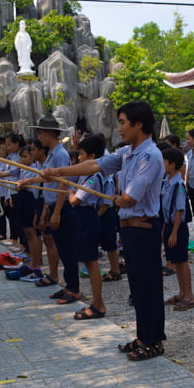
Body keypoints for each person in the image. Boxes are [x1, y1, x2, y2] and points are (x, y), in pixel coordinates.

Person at [43, 101, 166, 361]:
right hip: (130, 229)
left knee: (149, 286)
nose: (119, 128)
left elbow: (131, 198)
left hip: (144, 228)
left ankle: (155, 341)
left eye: (123, 122)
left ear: (138, 124)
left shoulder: (150, 155)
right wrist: (58, 172)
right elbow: (94, 165)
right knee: (137, 287)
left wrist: (119, 199)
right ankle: (143, 336)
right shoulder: (127, 153)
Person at [22, 114, 80, 304]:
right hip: (53, 206)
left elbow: (63, 184)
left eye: (40, 133)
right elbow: (48, 180)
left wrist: (56, 212)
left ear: (48, 134)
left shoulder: (61, 154)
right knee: (62, 249)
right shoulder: (53, 154)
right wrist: (29, 180)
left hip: (61, 208)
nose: (38, 137)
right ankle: (68, 285)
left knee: (67, 249)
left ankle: (73, 289)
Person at [69, 135, 108, 320]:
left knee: (91, 263)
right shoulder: (87, 175)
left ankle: (98, 304)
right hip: (82, 218)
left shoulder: (94, 177)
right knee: (87, 261)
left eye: (82, 154)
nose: (79, 158)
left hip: (87, 217)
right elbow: (72, 171)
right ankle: (97, 303)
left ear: (92, 155)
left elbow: (75, 200)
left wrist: (68, 189)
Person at [161, 147, 194, 311]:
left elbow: (180, 209)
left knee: (182, 261)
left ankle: (189, 295)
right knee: (174, 261)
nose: (162, 165)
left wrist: (174, 232)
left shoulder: (178, 184)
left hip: (178, 227)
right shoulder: (166, 182)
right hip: (169, 225)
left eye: (164, 162)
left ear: (173, 165)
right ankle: (181, 293)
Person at [15, 145, 44, 279]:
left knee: (32, 231)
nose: (22, 159)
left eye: (25, 156)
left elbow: (23, 185)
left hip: (30, 199)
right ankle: (34, 260)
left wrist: (21, 186)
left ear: (33, 156)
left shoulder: (35, 169)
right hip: (23, 198)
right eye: (21, 157)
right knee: (27, 232)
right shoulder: (23, 168)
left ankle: (35, 263)